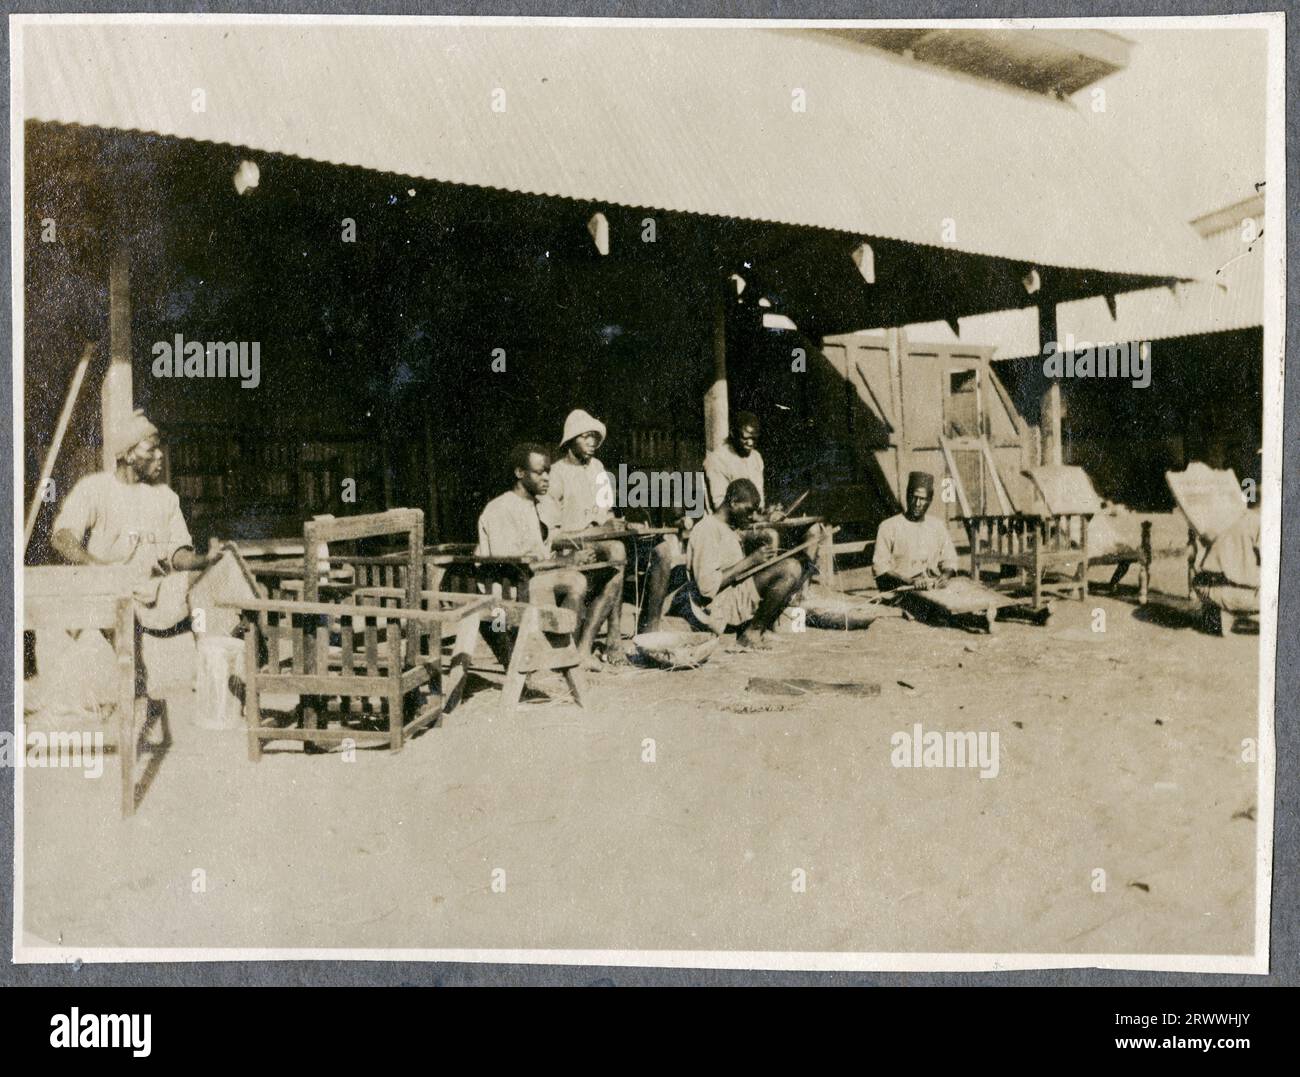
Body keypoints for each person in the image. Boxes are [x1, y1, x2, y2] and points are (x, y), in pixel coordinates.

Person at [51, 409, 215, 618]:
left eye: (159, 448)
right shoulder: (95, 488)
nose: (160, 454)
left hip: (154, 598)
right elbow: (62, 537)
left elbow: (177, 555)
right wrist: (98, 568)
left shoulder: (166, 497)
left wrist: (204, 561)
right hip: (109, 597)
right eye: (151, 450)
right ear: (128, 455)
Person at [477, 442, 606, 670]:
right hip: (507, 588)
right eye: (539, 472)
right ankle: (560, 654)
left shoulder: (535, 506)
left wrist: (575, 556)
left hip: (529, 581)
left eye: (548, 471)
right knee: (574, 580)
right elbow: (510, 564)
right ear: (520, 473)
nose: (546, 477)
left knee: (597, 574)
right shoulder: (501, 508)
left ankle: (564, 652)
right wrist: (565, 562)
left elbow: (540, 553)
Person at [539, 409, 630, 666]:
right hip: (568, 549)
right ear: (570, 440)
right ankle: (595, 644)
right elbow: (552, 536)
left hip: (598, 539)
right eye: (586, 437)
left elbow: (604, 512)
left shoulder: (597, 468)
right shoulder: (555, 474)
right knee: (617, 552)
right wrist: (591, 533)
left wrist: (613, 522)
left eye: (594, 438)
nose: (592, 443)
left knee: (622, 550)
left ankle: (608, 639)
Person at [682, 478, 803, 650]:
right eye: (748, 510)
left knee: (797, 566)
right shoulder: (707, 529)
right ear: (733, 502)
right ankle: (751, 634)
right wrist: (751, 561)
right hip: (718, 608)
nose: (752, 516)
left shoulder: (727, 528)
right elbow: (706, 587)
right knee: (790, 568)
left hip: (732, 598)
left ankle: (759, 629)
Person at [872, 470, 959, 593]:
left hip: (933, 590)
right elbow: (880, 569)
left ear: (930, 500)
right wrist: (909, 581)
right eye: (914, 497)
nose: (918, 504)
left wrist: (945, 575)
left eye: (923, 499)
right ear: (907, 495)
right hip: (901, 592)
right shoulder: (888, 527)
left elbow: (950, 560)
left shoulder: (937, 526)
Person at [1192, 505, 1260, 635]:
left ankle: (1227, 612)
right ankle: (1241, 613)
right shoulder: (1260, 521)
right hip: (1253, 597)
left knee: (1200, 581)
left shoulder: (1224, 521)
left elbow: (1203, 570)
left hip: (1219, 592)